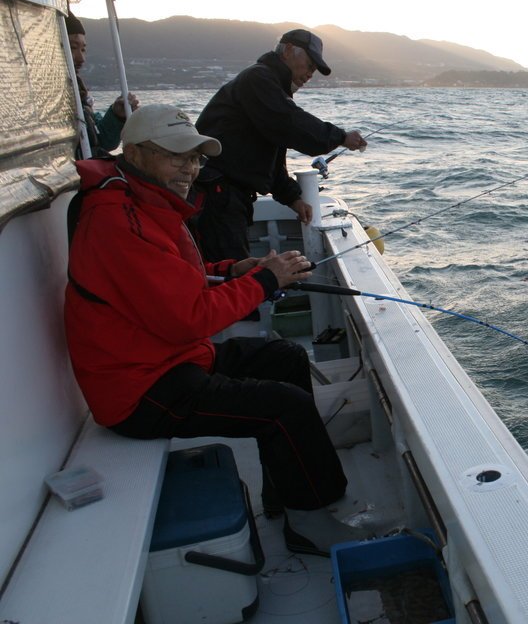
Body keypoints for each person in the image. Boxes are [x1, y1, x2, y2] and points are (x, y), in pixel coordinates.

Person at [65, 104, 369, 556]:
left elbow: (173, 278)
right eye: (176, 156)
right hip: (138, 390)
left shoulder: (141, 202)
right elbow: (188, 318)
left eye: (194, 158)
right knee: (285, 408)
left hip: (166, 359)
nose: (189, 169)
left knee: (285, 358)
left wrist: (234, 269)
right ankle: (310, 523)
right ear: (135, 152)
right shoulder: (118, 221)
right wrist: (266, 280)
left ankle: (285, 494)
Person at [195, 28, 367, 262]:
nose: (310, 74)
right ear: (287, 50)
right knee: (230, 274)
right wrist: (339, 136)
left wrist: (293, 198)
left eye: (314, 70)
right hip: (217, 195)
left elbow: (270, 155)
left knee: (233, 272)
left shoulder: (269, 87)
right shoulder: (259, 79)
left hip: (229, 195)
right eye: (309, 65)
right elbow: (291, 124)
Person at [66, 11, 140, 157]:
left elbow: (99, 141)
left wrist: (116, 115)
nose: (81, 58)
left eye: (83, 49)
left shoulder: (79, 94)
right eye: (73, 48)